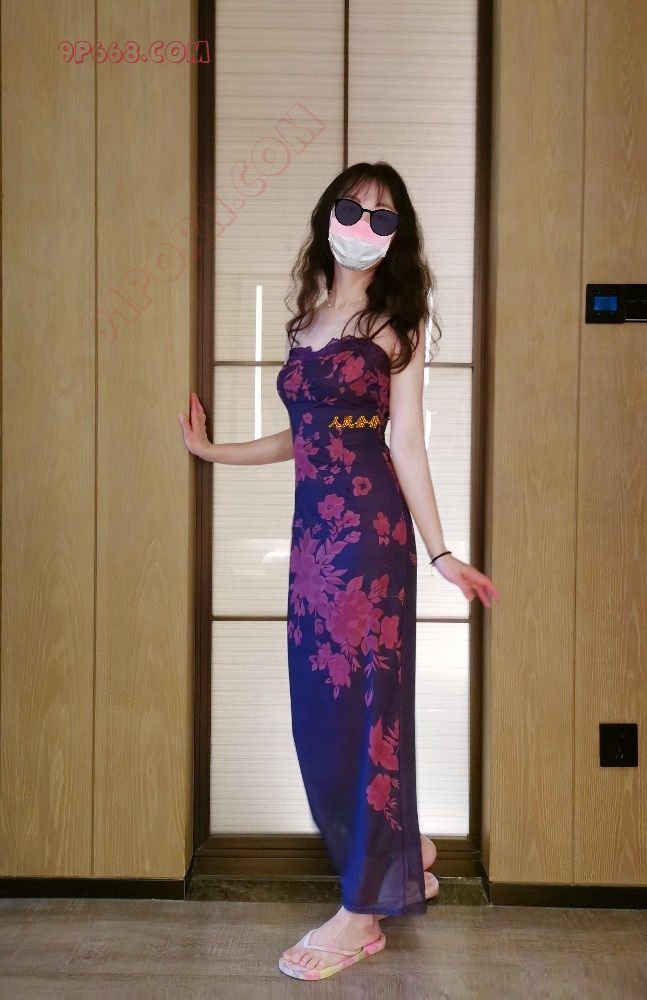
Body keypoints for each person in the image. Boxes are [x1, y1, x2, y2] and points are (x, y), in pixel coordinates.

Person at [179, 162, 500, 982]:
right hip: (312, 545)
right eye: (351, 210)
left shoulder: (396, 326)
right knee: (317, 716)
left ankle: (361, 914)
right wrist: (215, 451)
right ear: (328, 216)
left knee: (362, 712)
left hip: (368, 542)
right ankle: (399, 849)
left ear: (396, 238)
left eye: (381, 219)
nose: (362, 227)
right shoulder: (305, 322)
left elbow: (404, 444)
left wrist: (441, 552)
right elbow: (305, 436)